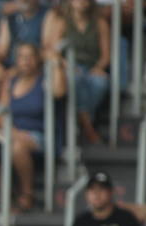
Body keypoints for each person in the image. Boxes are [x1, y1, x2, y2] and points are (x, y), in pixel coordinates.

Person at [0, 43, 62, 212]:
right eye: (21, 57)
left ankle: (27, 193)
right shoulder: (10, 82)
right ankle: (5, 195)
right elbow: (0, 114)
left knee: (17, 147)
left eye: (30, 57)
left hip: (38, 134)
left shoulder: (44, 80)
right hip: (10, 132)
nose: (25, 61)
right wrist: (12, 132)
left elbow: (60, 92)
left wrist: (55, 63)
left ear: (38, 59)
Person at [42, 0, 109, 144]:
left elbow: (106, 55)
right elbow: (54, 50)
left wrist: (98, 67)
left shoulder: (100, 23)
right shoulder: (63, 22)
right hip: (69, 66)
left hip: (91, 67)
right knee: (75, 80)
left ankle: (81, 119)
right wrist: (67, 65)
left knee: (101, 82)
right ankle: (88, 127)